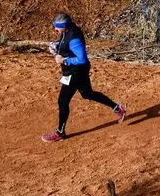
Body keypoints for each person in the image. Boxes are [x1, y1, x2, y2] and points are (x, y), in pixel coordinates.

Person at [41, 13, 125, 142]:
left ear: (63, 26)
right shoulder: (68, 30)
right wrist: (57, 47)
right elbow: (66, 44)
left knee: (63, 101)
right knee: (87, 94)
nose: (55, 29)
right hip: (77, 71)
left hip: (75, 72)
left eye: (56, 27)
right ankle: (117, 108)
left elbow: (81, 59)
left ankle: (60, 132)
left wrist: (63, 60)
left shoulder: (74, 38)